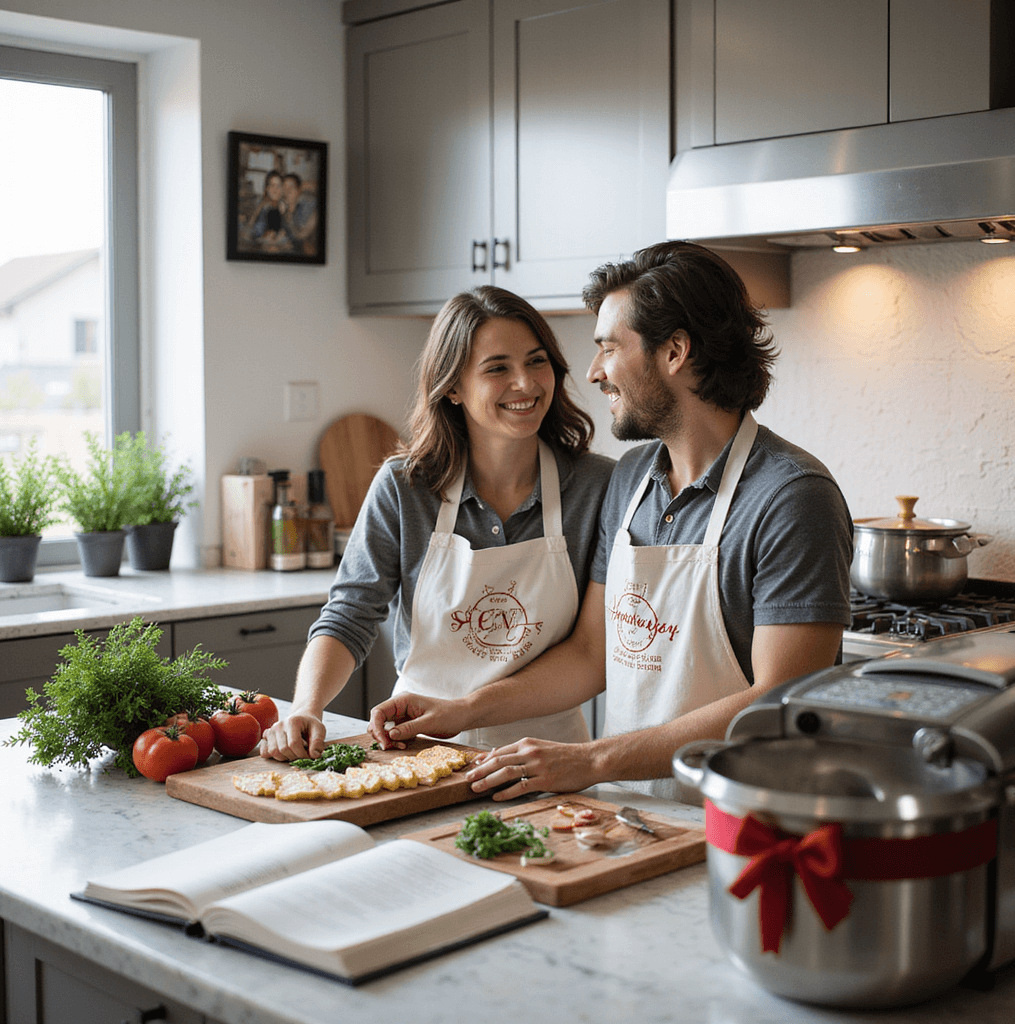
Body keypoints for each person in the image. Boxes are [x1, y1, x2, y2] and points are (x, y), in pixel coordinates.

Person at [369, 241, 853, 801]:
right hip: (628, 815)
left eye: (607, 348)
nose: (594, 372)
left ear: (674, 351)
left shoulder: (790, 498)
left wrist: (592, 759)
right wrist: (461, 710)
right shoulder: (630, 479)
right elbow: (590, 654)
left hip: (741, 826)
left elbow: (780, 696)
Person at [261, 286, 615, 761]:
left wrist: (468, 709)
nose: (526, 384)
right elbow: (350, 614)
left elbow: (591, 650)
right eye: (497, 368)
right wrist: (308, 706)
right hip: (419, 749)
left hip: (548, 755)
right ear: (452, 387)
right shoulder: (405, 488)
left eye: (537, 361)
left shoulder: (597, 487)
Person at [281, 173, 319, 255]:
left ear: (299, 190)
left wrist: (307, 185)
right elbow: (290, 237)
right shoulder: (285, 210)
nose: (287, 191)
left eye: (291, 187)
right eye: (284, 187)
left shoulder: (307, 205)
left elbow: (301, 235)